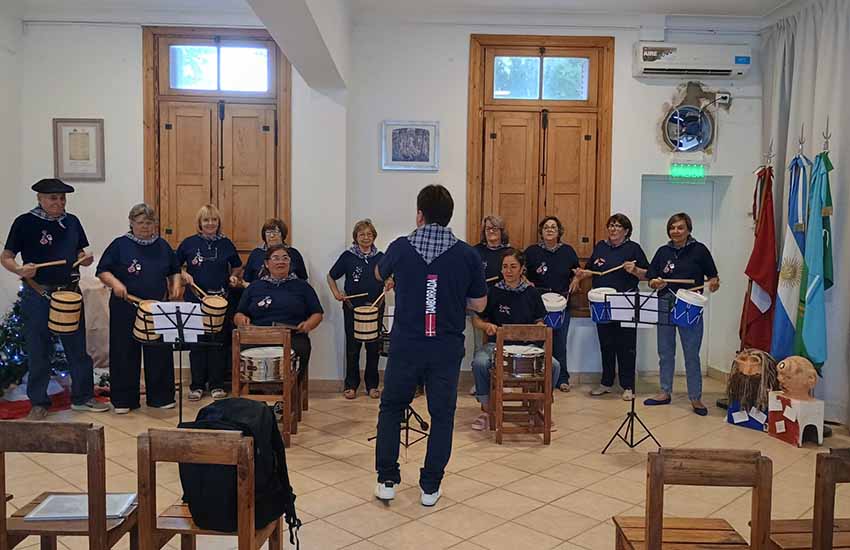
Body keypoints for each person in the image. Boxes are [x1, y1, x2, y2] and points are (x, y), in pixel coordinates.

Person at [374, 184, 487, 507]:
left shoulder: (400, 246)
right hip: (445, 348)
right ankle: (430, 486)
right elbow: (479, 304)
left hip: (406, 345)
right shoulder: (467, 254)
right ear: (450, 216)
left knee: (392, 408)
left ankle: (387, 480)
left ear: (419, 214)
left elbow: (379, 271)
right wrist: (448, 296)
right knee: (442, 415)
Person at [1, 178, 109, 420]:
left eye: (62, 198)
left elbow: (80, 251)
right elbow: (6, 256)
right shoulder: (24, 222)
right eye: (53, 198)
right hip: (38, 293)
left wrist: (85, 258)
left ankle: (82, 397)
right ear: (39, 198)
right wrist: (19, 269)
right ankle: (39, 402)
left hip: (69, 293)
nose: (59, 203)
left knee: (77, 348)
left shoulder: (72, 222)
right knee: (38, 348)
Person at [97, 203, 181, 414]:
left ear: (155, 224)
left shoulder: (162, 246)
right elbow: (102, 271)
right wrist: (116, 284)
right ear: (132, 223)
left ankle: (161, 397)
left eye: (149, 222)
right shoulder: (119, 245)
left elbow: (174, 270)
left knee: (159, 351)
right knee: (124, 351)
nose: (145, 227)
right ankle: (124, 400)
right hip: (126, 307)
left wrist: (176, 286)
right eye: (140, 222)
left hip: (156, 306)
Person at [470, 248, 559, 430]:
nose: (508, 271)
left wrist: (540, 327)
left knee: (555, 365)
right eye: (504, 267)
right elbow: (476, 319)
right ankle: (486, 410)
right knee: (479, 363)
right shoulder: (493, 291)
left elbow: (540, 320)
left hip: (527, 348)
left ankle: (540, 408)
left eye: (513, 266)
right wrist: (486, 326)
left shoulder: (532, 293)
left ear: (522, 269)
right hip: (497, 345)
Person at [644, 212, 720, 416]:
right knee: (665, 351)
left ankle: (695, 397)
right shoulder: (662, 251)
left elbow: (714, 277)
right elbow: (651, 277)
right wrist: (654, 282)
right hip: (665, 301)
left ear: (688, 230)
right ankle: (664, 392)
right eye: (672, 228)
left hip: (689, 304)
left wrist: (713, 283)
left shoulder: (700, 250)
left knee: (691, 353)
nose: (676, 231)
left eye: (680, 228)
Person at [571, 213, 649, 401]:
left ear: (626, 231)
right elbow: (591, 270)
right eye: (611, 225)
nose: (613, 229)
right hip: (602, 302)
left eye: (618, 226)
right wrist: (581, 274)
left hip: (625, 301)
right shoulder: (601, 247)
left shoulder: (633, 249)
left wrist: (635, 270)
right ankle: (606, 382)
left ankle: (628, 385)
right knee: (606, 343)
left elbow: (647, 275)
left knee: (626, 344)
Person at [235, 244, 323, 394]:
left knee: (301, 349)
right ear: (267, 264)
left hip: (292, 336)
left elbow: (317, 313)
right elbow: (239, 313)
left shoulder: (302, 287)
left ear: (290, 263)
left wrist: (309, 324)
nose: (280, 262)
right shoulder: (255, 287)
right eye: (275, 258)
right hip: (259, 336)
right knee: (243, 351)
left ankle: (286, 394)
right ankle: (257, 394)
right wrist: (241, 319)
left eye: (285, 258)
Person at [176, 204, 242, 401]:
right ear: (199, 223)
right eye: (206, 220)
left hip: (220, 301)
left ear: (218, 222)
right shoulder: (188, 243)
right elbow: (175, 266)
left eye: (214, 220)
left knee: (217, 344)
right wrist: (184, 273)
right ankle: (196, 386)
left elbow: (237, 267)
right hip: (195, 300)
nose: (210, 223)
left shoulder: (226, 244)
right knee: (196, 345)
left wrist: (233, 277)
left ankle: (216, 385)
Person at [327, 219, 392, 400]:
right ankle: (351, 385)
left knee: (373, 347)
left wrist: (389, 281)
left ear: (374, 236)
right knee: (352, 347)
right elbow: (331, 276)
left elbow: (390, 276)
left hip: (375, 307)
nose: (365, 237)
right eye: (361, 234)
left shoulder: (381, 257)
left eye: (369, 234)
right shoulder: (348, 256)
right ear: (355, 237)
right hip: (352, 308)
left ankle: (372, 385)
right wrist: (336, 293)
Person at [523, 216, 579, 392]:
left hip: (561, 304)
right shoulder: (531, 251)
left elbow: (577, 272)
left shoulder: (568, 251)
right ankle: (535, 378)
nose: (549, 229)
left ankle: (561, 379)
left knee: (559, 343)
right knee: (536, 343)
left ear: (559, 231)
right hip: (537, 304)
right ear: (541, 231)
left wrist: (576, 279)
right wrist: (526, 282)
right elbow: (520, 271)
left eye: (553, 227)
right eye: (546, 227)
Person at [243, 219, 307, 283]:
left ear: (282, 234)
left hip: (288, 291)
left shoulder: (294, 253)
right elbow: (247, 280)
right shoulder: (256, 253)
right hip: (260, 291)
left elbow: (303, 279)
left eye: (275, 232)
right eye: (268, 232)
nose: (272, 235)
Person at [473, 215, 510, 283]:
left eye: (495, 228)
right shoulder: (475, 251)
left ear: (501, 231)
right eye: (488, 228)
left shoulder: (510, 252)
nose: (491, 231)